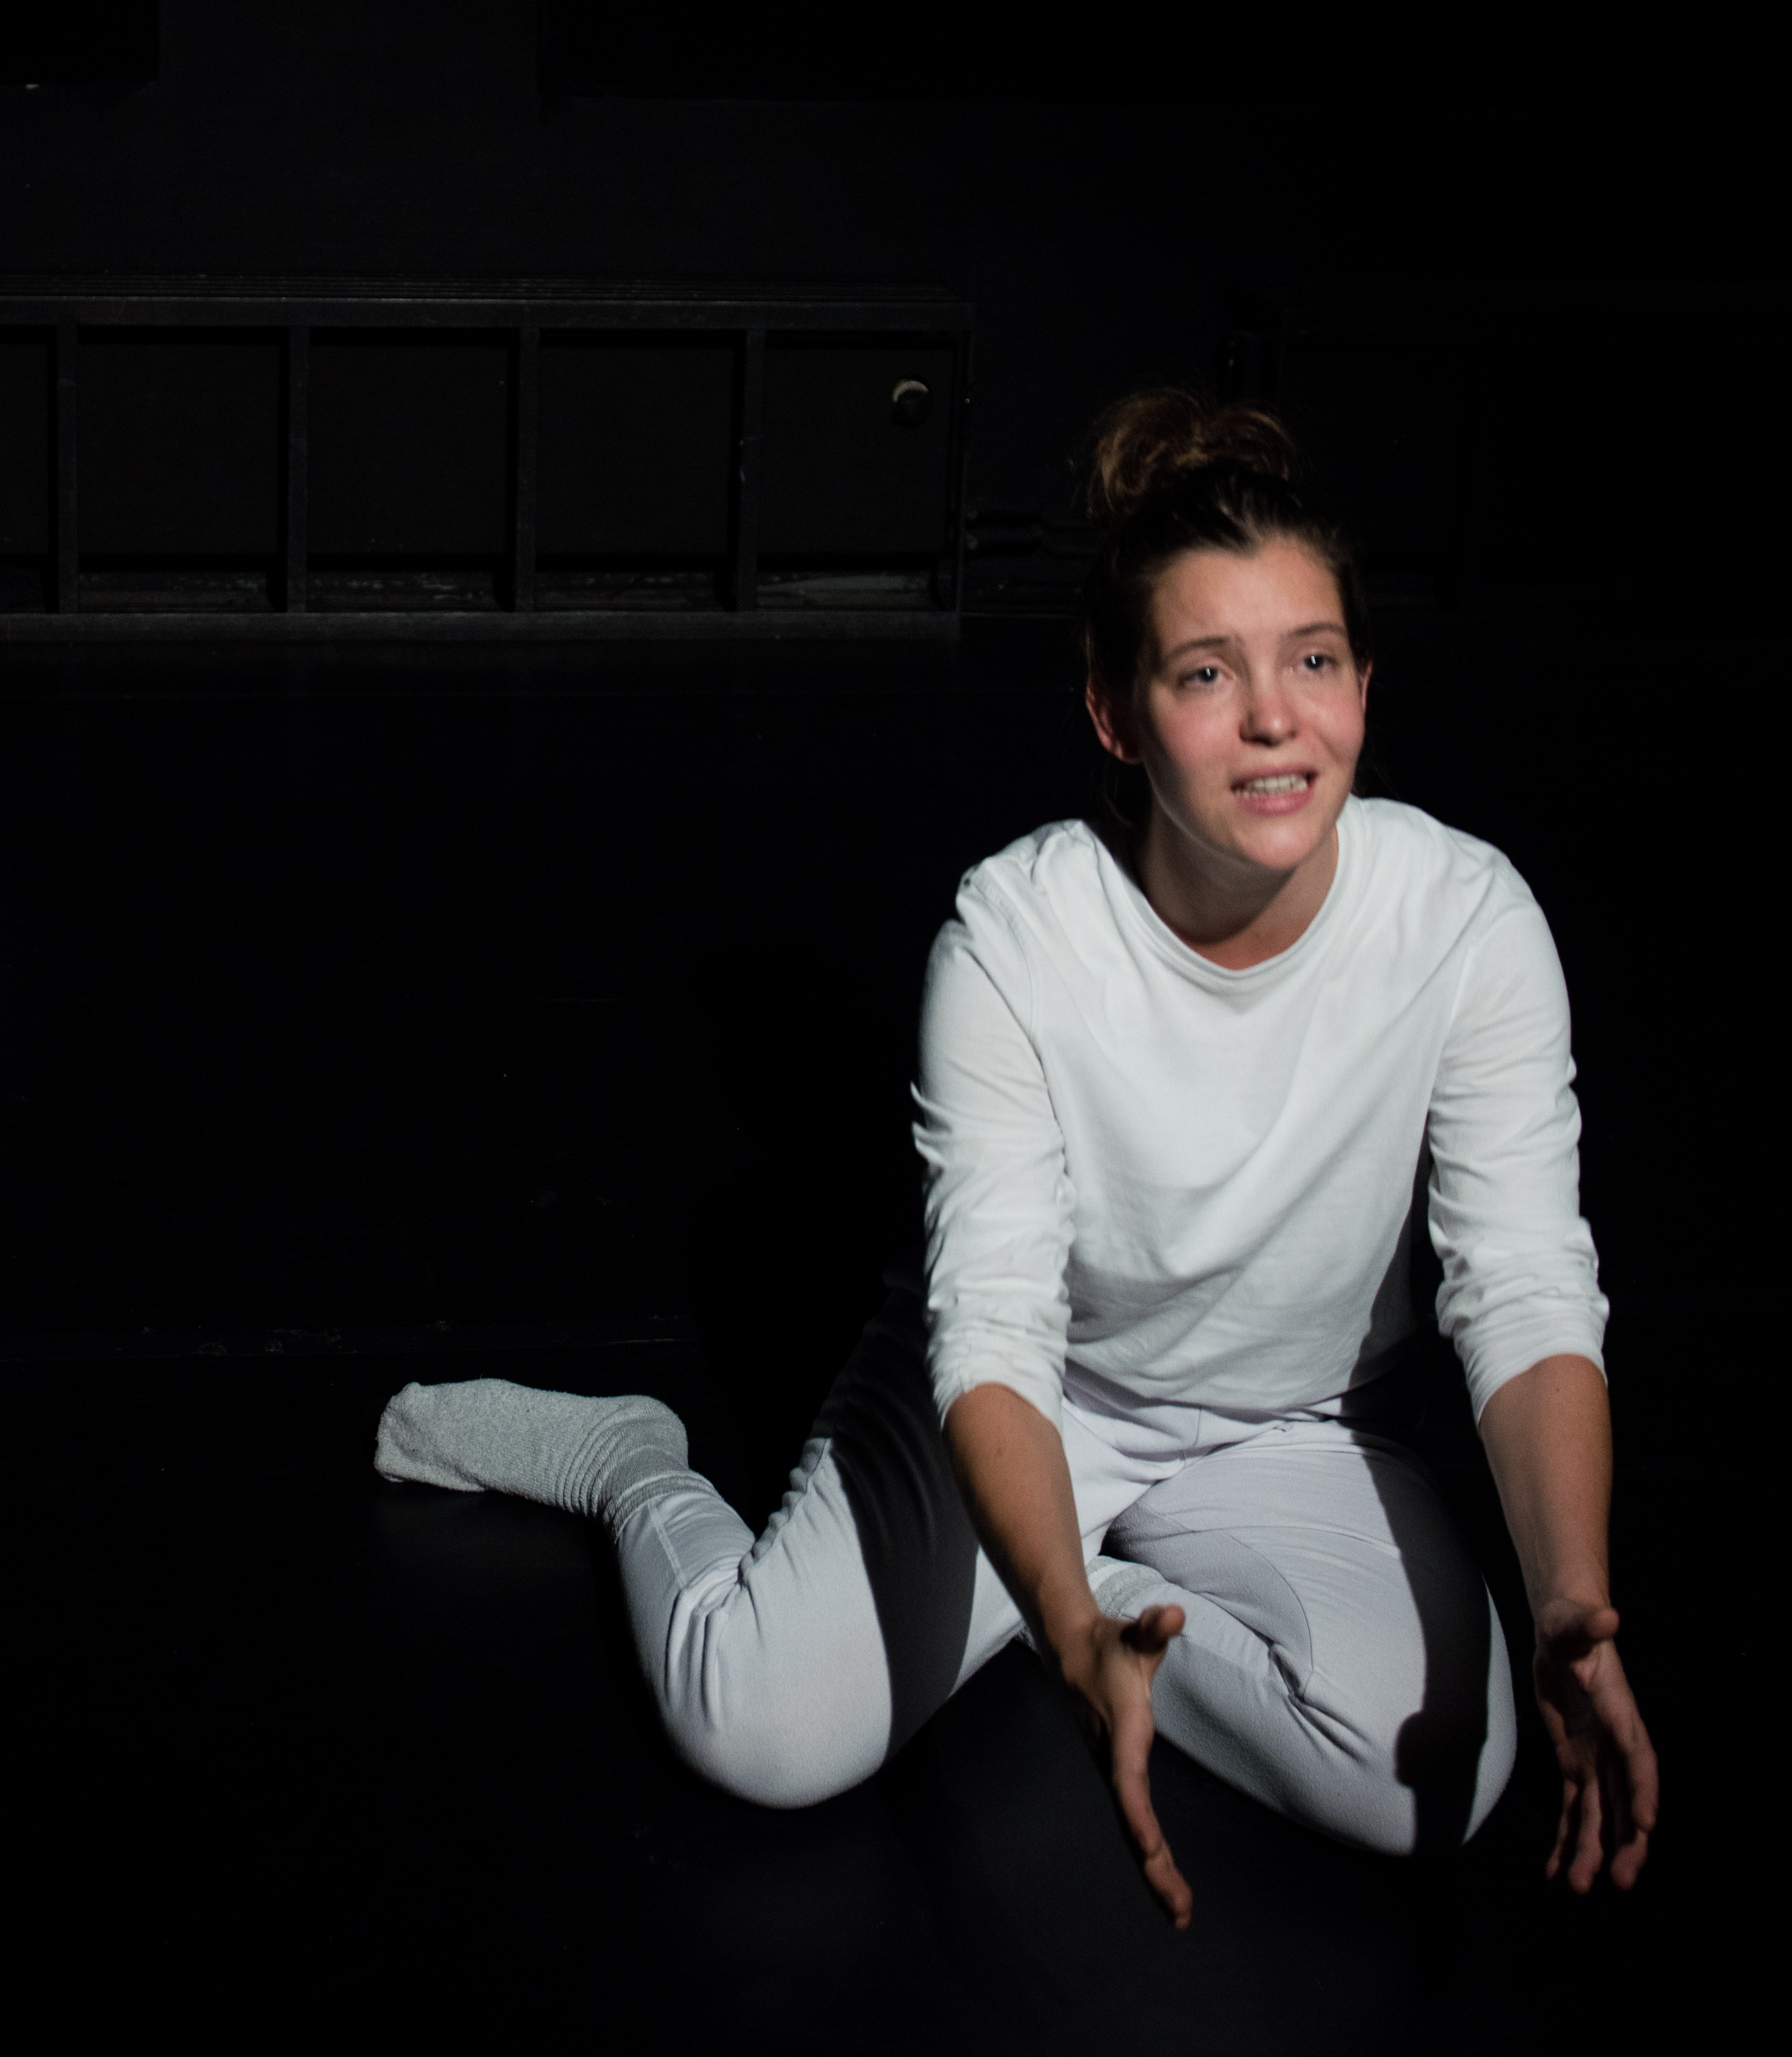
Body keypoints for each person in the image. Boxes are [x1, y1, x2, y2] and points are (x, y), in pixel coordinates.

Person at [374, 391, 1658, 1918]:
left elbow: (1523, 1283)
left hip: (1290, 1428)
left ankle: (1111, 1595)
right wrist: (1056, 1613)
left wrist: (1571, 1598)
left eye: (1313, 659)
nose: (1275, 718)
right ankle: (630, 1464)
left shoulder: (1467, 921)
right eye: (1207, 670)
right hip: (1040, 1397)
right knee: (755, 1724)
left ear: (1364, 684)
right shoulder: (1015, 939)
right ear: (1115, 711)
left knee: (1432, 1781)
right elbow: (991, 1333)